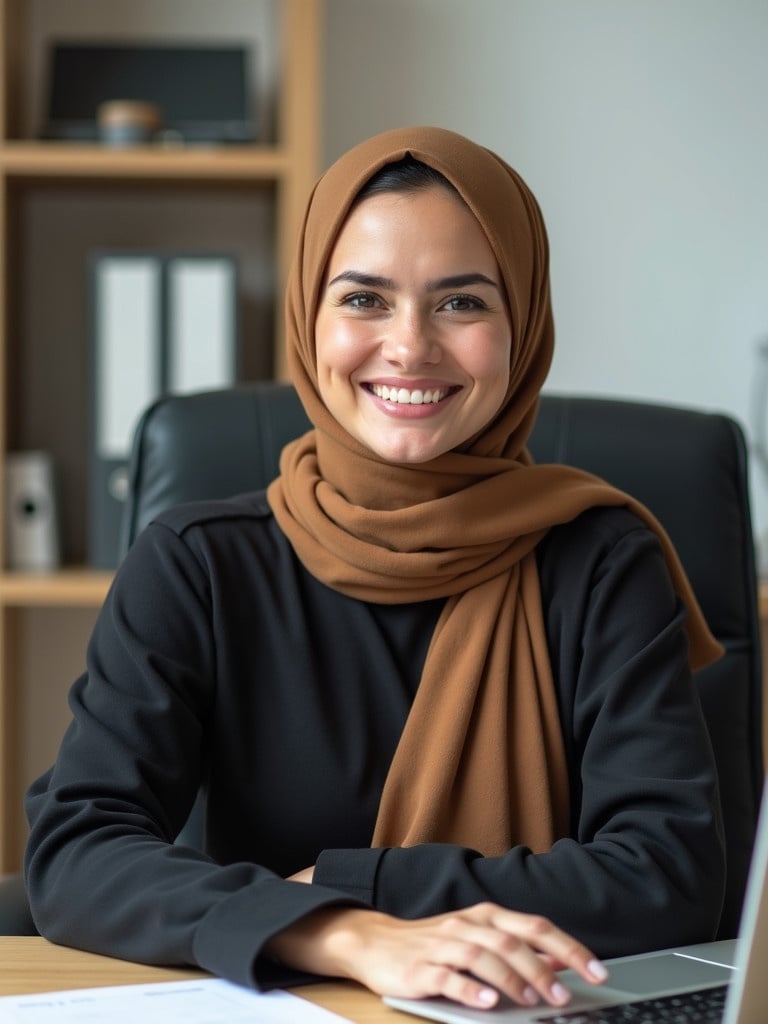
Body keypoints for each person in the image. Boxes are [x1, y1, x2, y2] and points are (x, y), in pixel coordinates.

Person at [24, 126, 726, 1013]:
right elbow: (78, 852)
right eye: (363, 299)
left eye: (463, 304)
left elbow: (668, 876)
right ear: (307, 318)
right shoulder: (198, 564)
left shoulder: (602, 561)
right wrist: (339, 928)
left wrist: (351, 878)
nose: (409, 346)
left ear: (525, 326)